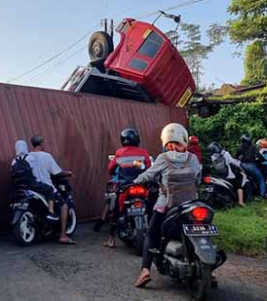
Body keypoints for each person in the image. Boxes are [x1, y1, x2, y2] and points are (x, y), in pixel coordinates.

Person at [133, 123, 201, 288]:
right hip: (191, 205)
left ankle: (145, 271)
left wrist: (134, 181)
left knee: (151, 234)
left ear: (165, 140)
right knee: (199, 231)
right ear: (183, 138)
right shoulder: (193, 158)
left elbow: (148, 175)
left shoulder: (163, 158)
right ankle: (210, 272)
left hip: (166, 206)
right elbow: (197, 178)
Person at [102, 128, 152, 248]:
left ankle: (111, 240)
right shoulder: (143, 152)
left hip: (125, 186)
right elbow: (150, 168)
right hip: (141, 185)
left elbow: (111, 169)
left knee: (116, 211)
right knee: (151, 206)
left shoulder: (119, 152)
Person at [29, 135, 76, 244]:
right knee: (64, 206)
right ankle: (63, 235)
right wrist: (68, 173)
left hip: (34, 188)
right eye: (43, 143)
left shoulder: (28, 156)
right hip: (47, 187)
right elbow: (57, 172)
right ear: (41, 143)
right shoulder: (46, 156)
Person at [11, 140, 57, 215]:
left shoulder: (14, 161)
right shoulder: (30, 158)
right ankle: (51, 211)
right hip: (32, 185)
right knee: (50, 189)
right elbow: (35, 173)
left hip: (19, 187)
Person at [207, 141, 247, 207]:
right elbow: (232, 162)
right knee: (238, 186)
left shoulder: (212, 156)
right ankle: (241, 201)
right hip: (228, 176)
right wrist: (239, 163)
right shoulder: (225, 153)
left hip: (217, 176)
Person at [237, 134, 266, 198]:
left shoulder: (240, 147)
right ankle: (262, 195)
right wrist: (263, 160)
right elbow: (259, 156)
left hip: (242, 166)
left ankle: (249, 196)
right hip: (251, 166)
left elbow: (236, 157)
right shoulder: (253, 147)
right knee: (261, 179)